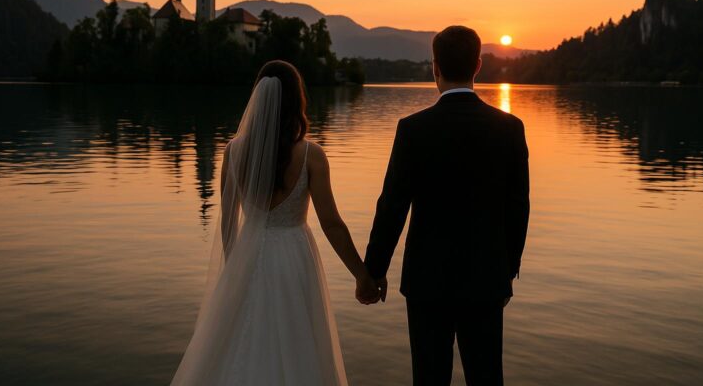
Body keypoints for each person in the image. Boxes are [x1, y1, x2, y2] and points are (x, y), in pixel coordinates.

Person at [170, 60, 380, 386]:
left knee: (243, 340)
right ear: (297, 100)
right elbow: (332, 224)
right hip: (295, 257)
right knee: (299, 341)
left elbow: (228, 223)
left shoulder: (233, 152)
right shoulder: (311, 155)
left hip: (248, 255)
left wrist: (235, 270)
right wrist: (362, 275)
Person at [364, 26, 530, 385]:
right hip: (486, 278)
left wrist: (373, 271)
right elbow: (518, 208)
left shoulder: (413, 129)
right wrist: (506, 270)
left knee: (429, 377)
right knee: (486, 377)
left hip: (427, 281)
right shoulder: (509, 128)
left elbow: (392, 206)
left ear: (434, 67)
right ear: (478, 66)